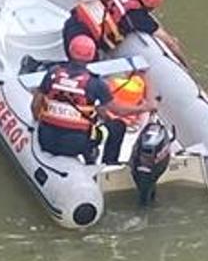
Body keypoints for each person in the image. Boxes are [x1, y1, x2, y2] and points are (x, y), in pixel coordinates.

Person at [32, 35, 155, 165]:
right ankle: (109, 163)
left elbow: (35, 105)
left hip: (46, 139)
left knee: (88, 124)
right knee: (118, 126)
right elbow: (119, 110)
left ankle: (89, 154)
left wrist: (38, 123)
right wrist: (145, 107)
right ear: (92, 55)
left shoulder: (52, 73)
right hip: (77, 144)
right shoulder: (95, 83)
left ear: (70, 51)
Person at [62, 0, 189, 66]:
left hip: (72, 23)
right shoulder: (137, 16)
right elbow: (169, 41)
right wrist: (183, 62)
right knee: (87, 75)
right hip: (82, 40)